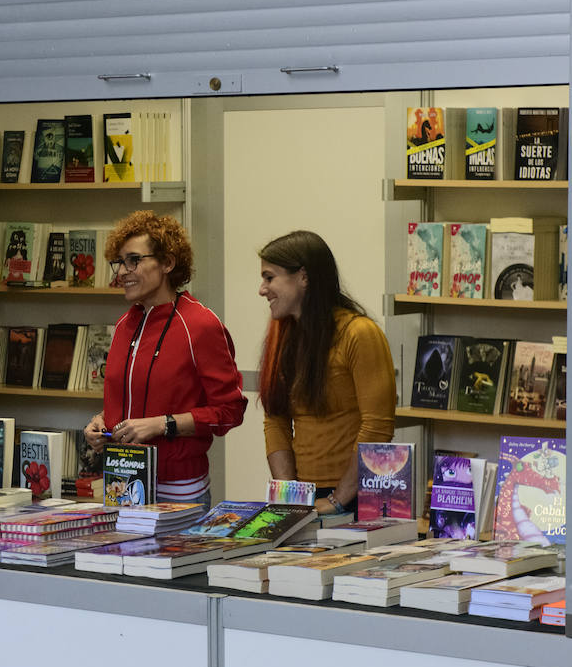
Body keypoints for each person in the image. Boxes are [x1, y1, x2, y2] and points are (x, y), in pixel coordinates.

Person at [84, 211, 246, 506]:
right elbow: (128, 401)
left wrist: (164, 424)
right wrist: (101, 423)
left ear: (168, 263)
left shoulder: (200, 324)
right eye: (119, 262)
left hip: (178, 489)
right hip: (121, 483)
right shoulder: (123, 326)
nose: (122, 271)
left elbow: (230, 411)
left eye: (134, 260)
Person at [257, 230, 396, 516]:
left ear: (304, 277)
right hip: (306, 498)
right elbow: (276, 420)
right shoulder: (283, 338)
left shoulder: (359, 333)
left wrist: (338, 500)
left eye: (270, 277)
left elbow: (377, 428)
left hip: (359, 494)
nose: (262, 289)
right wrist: (290, 496)